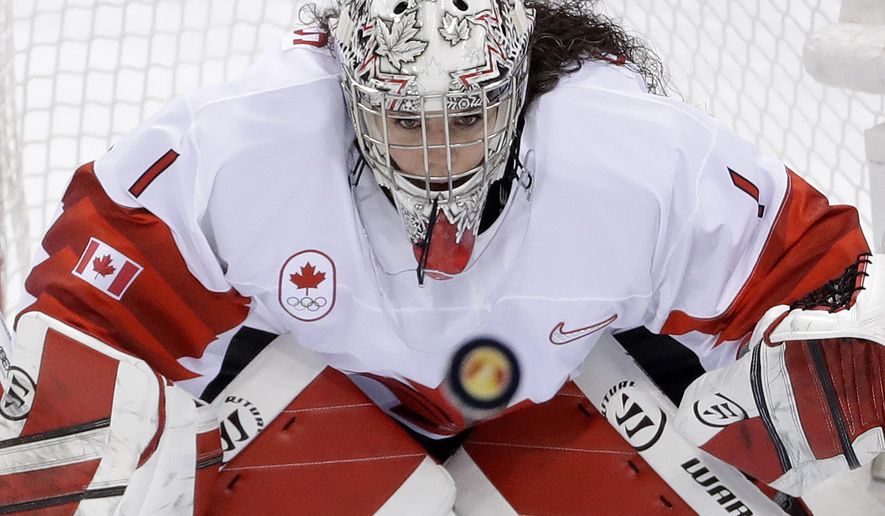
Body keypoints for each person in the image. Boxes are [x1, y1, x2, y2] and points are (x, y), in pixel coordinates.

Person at [0, 0, 882, 513]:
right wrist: (74, 433)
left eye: (466, 118)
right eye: (398, 119)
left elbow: (813, 271)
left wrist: (815, 373)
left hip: (564, 395)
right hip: (316, 394)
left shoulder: (630, 154)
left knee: (849, 465)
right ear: (348, 84)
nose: (435, 154)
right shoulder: (238, 144)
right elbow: (86, 324)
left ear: (518, 85)